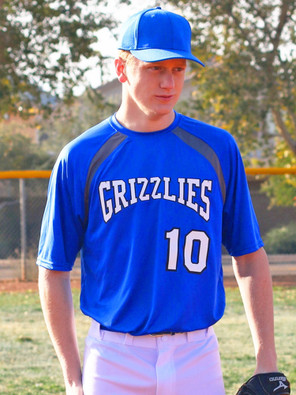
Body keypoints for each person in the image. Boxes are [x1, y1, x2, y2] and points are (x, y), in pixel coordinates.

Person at [37, 7, 289, 395]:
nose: (169, 82)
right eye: (155, 68)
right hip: (113, 354)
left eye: (178, 69)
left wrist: (266, 361)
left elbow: (249, 255)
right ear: (121, 68)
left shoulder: (217, 149)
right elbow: (53, 270)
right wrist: (73, 377)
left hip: (197, 352)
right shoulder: (82, 155)